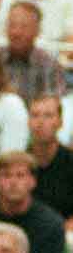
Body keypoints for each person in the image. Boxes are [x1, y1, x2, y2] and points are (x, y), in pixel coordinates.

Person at [0, 149, 66, 253]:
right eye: (6, 175)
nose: (13, 182)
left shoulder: (50, 224)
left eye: (20, 176)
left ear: (32, 181)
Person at [28, 94, 73, 222]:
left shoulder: (70, 161)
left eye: (48, 115)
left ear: (60, 122)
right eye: (35, 115)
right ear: (28, 122)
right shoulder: (21, 163)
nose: (40, 122)